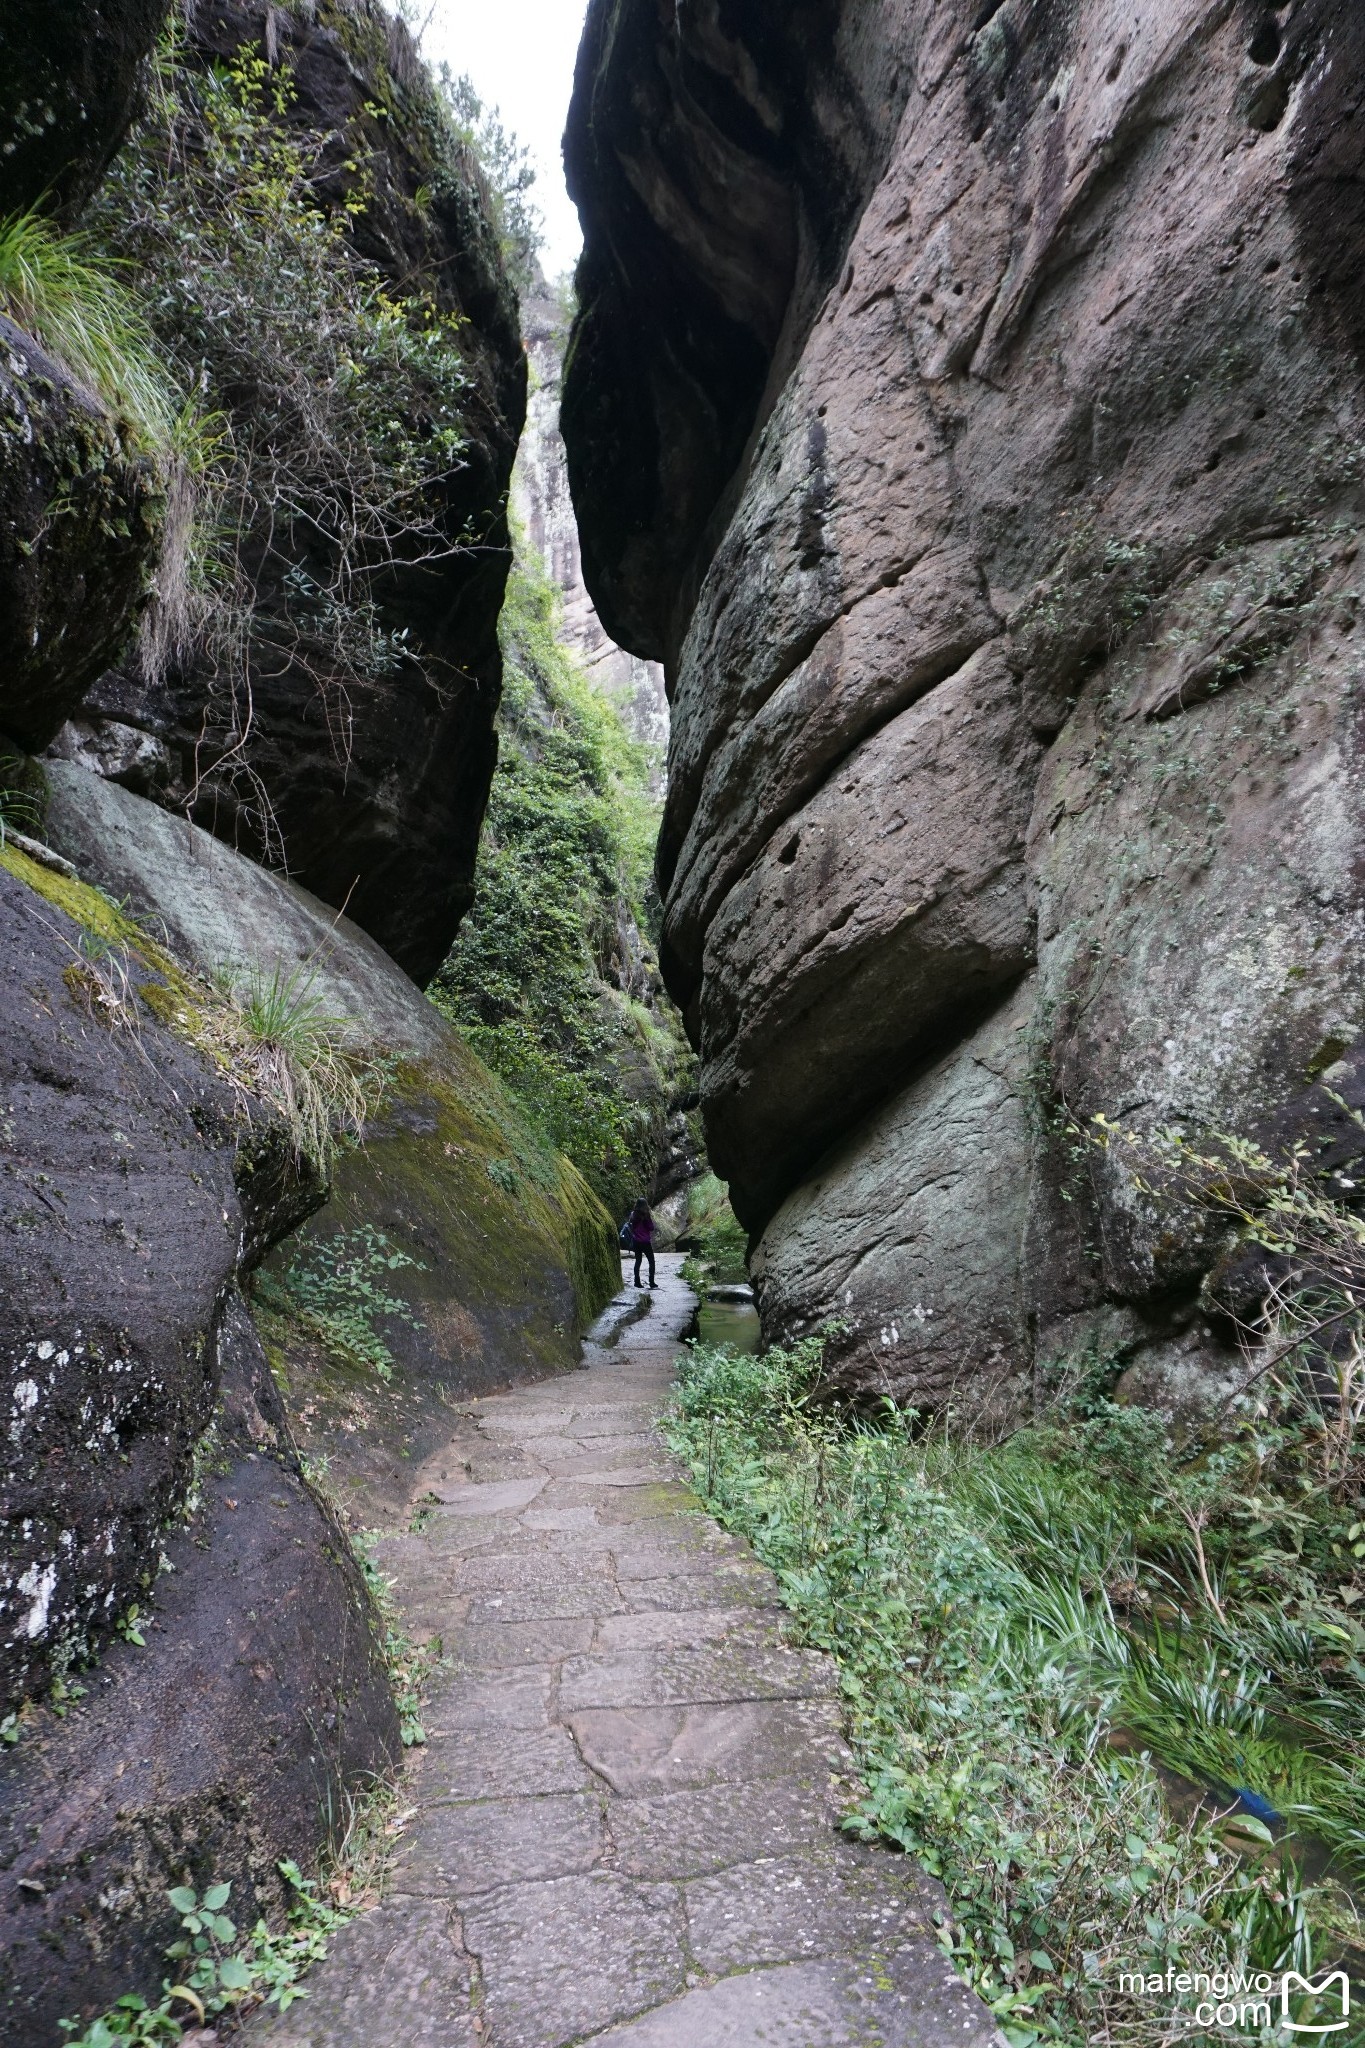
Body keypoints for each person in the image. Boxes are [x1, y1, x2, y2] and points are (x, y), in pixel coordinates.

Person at [628, 1199, 657, 1289]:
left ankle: (637, 1282)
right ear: (645, 1205)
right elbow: (651, 1227)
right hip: (645, 1242)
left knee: (638, 1261)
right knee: (651, 1262)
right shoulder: (645, 1215)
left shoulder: (633, 1214)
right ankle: (651, 1282)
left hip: (636, 1241)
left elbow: (630, 1225)